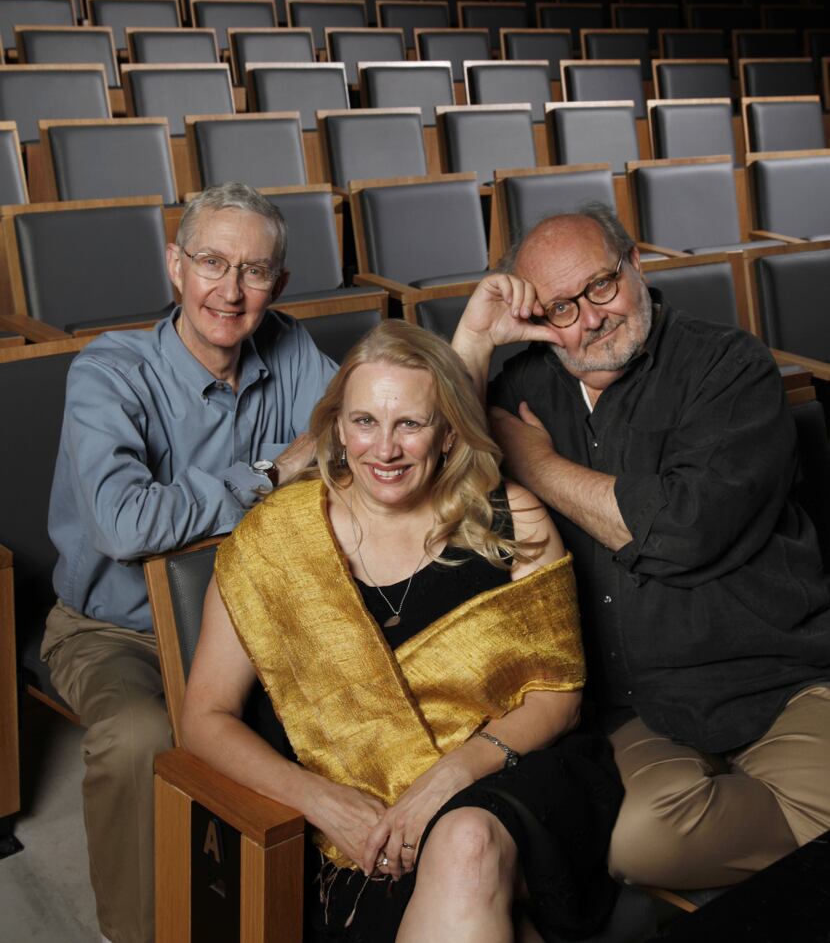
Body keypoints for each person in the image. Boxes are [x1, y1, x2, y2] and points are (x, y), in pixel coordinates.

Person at [182, 319, 622, 942]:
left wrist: (449, 776)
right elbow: (204, 716)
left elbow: (560, 694)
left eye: (409, 424)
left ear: (447, 433)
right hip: (341, 807)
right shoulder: (275, 538)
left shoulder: (512, 522)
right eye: (365, 421)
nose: (383, 449)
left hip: (501, 775)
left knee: (466, 841)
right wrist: (319, 800)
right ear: (336, 426)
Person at [451, 203, 830, 892]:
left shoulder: (728, 365)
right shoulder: (525, 387)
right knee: (640, 846)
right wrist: (476, 338)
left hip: (782, 680)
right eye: (560, 307)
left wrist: (533, 463)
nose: (590, 318)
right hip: (640, 708)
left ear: (637, 264)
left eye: (601, 285)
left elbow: (683, 531)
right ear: (535, 317)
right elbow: (438, 470)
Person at [40, 183, 338, 943]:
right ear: (175, 266)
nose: (231, 291)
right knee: (140, 736)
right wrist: (269, 478)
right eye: (212, 262)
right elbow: (123, 521)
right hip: (115, 632)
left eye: (255, 271)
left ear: (281, 283)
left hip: (252, 623)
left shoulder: (290, 347)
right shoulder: (108, 373)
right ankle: (134, 932)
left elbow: (354, 437)